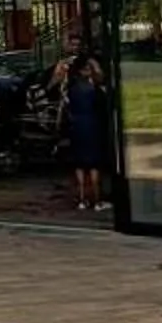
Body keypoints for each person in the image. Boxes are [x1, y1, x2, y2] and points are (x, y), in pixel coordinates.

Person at [62, 53, 113, 216]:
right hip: (92, 125)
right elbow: (103, 107)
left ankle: (82, 199)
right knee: (94, 164)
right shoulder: (95, 90)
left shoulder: (71, 87)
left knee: (79, 164)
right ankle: (97, 200)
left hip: (76, 126)